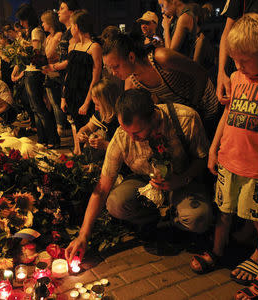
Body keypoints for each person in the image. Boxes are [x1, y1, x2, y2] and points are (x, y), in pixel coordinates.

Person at [188, 14, 258, 300]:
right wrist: (214, 148)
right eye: (235, 60)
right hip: (229, 161)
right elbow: (228, 115)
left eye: (244, 60)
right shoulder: (237, 77)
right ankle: (217, 251)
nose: (237, 66)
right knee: (223, 213)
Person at [65, 88, 212, 262]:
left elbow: (202, 159)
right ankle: (154, 220)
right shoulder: (122, 136)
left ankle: (177, 223)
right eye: (126, 131)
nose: (132, 138)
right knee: (115, 203)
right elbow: (102, 188)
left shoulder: (185, 119)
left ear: (153, 116)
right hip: (144, 180)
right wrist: (83, 235)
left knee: (198, 218)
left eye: (137, 132)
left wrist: (181, 180)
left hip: (182, 179)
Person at [102, 33, 219, 135]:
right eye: (110, 68)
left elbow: (201, 73)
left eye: (116, 66)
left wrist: (194, 104)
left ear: (131, 57)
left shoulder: (161, 58)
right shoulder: (134, 80)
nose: (113, 73)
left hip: (206, 105)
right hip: (187, 115)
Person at [15, 4, 60, 148]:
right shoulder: (30, 31)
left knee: (39, 107)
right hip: (30, 71)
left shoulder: (35, 31)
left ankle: (52, 139)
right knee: (35, 108)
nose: (21, 23)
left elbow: (36, 53)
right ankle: (42, 139)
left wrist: (23, 54)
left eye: (23, 20)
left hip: (35, 72)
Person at [58, 9, 102, 129]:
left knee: (86, 129)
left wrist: (87, 102)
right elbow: (69, 73)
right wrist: (63, 97)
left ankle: (81, 148)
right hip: (71, 94)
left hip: (85, 94)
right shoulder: (72, 46)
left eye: (72, 25)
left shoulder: (94, 47)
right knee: (74, 124)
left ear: (76, 26)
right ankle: (77, 149)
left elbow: (96, 77)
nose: (70, 28)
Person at [77, 78, 121, 157]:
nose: (95, 108)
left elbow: (125, 150)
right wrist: (81, 133)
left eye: (98, 105)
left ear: (108, 102)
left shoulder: (121, 117)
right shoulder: (102, 113)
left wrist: (105, 145)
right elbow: (88, 127)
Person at [41, 10, 67, 137]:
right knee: (52, 101)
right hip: (49, 72)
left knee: (57, 102)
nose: (42, 25)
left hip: (56, 73)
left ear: (50, 23)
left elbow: (48, 54)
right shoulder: (48, 37)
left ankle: (60, 127)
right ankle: (58, 125)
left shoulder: (58, 36)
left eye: (44, 22)